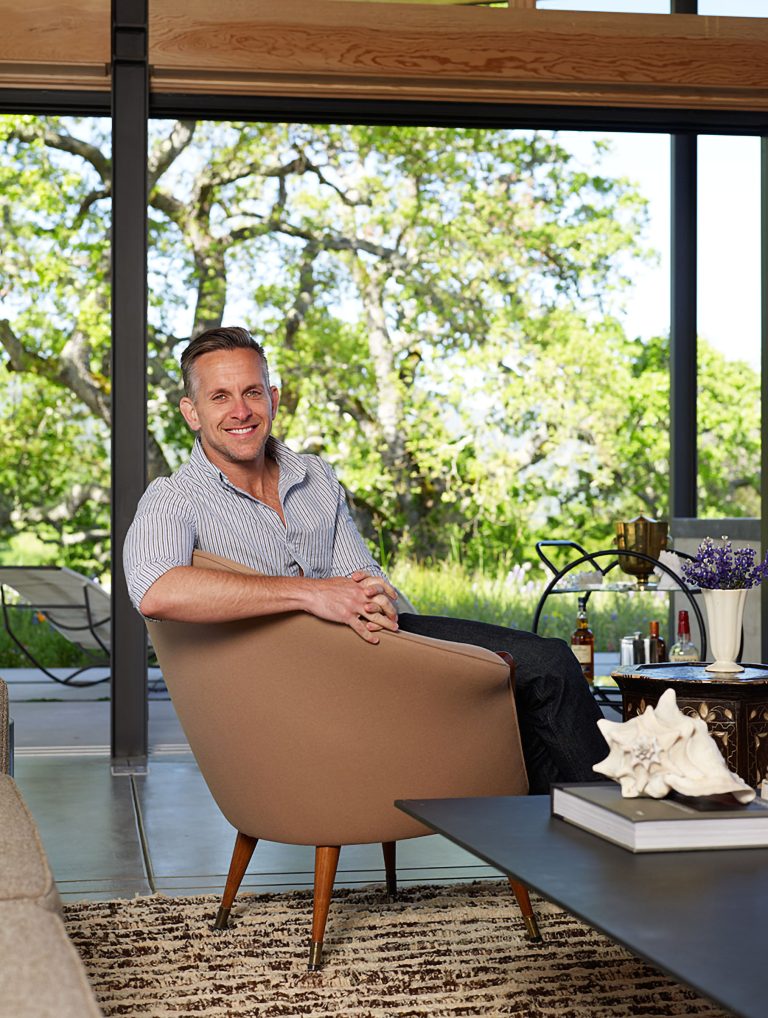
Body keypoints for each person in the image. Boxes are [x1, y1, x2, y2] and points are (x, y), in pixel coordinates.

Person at [124, 326, 607, 793]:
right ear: (191, 412)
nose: (241, 410)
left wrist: (371, 601)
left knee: (523, 692)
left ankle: (564, 852)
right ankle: (618, 831)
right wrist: (311, 594)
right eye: (220, 396)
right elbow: (156, 591)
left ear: (273, 398)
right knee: (549, 662)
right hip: (298, 691)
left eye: (252, 392)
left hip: (379, 647)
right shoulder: (174, 498)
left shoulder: (314, 475)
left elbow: (367, 577)